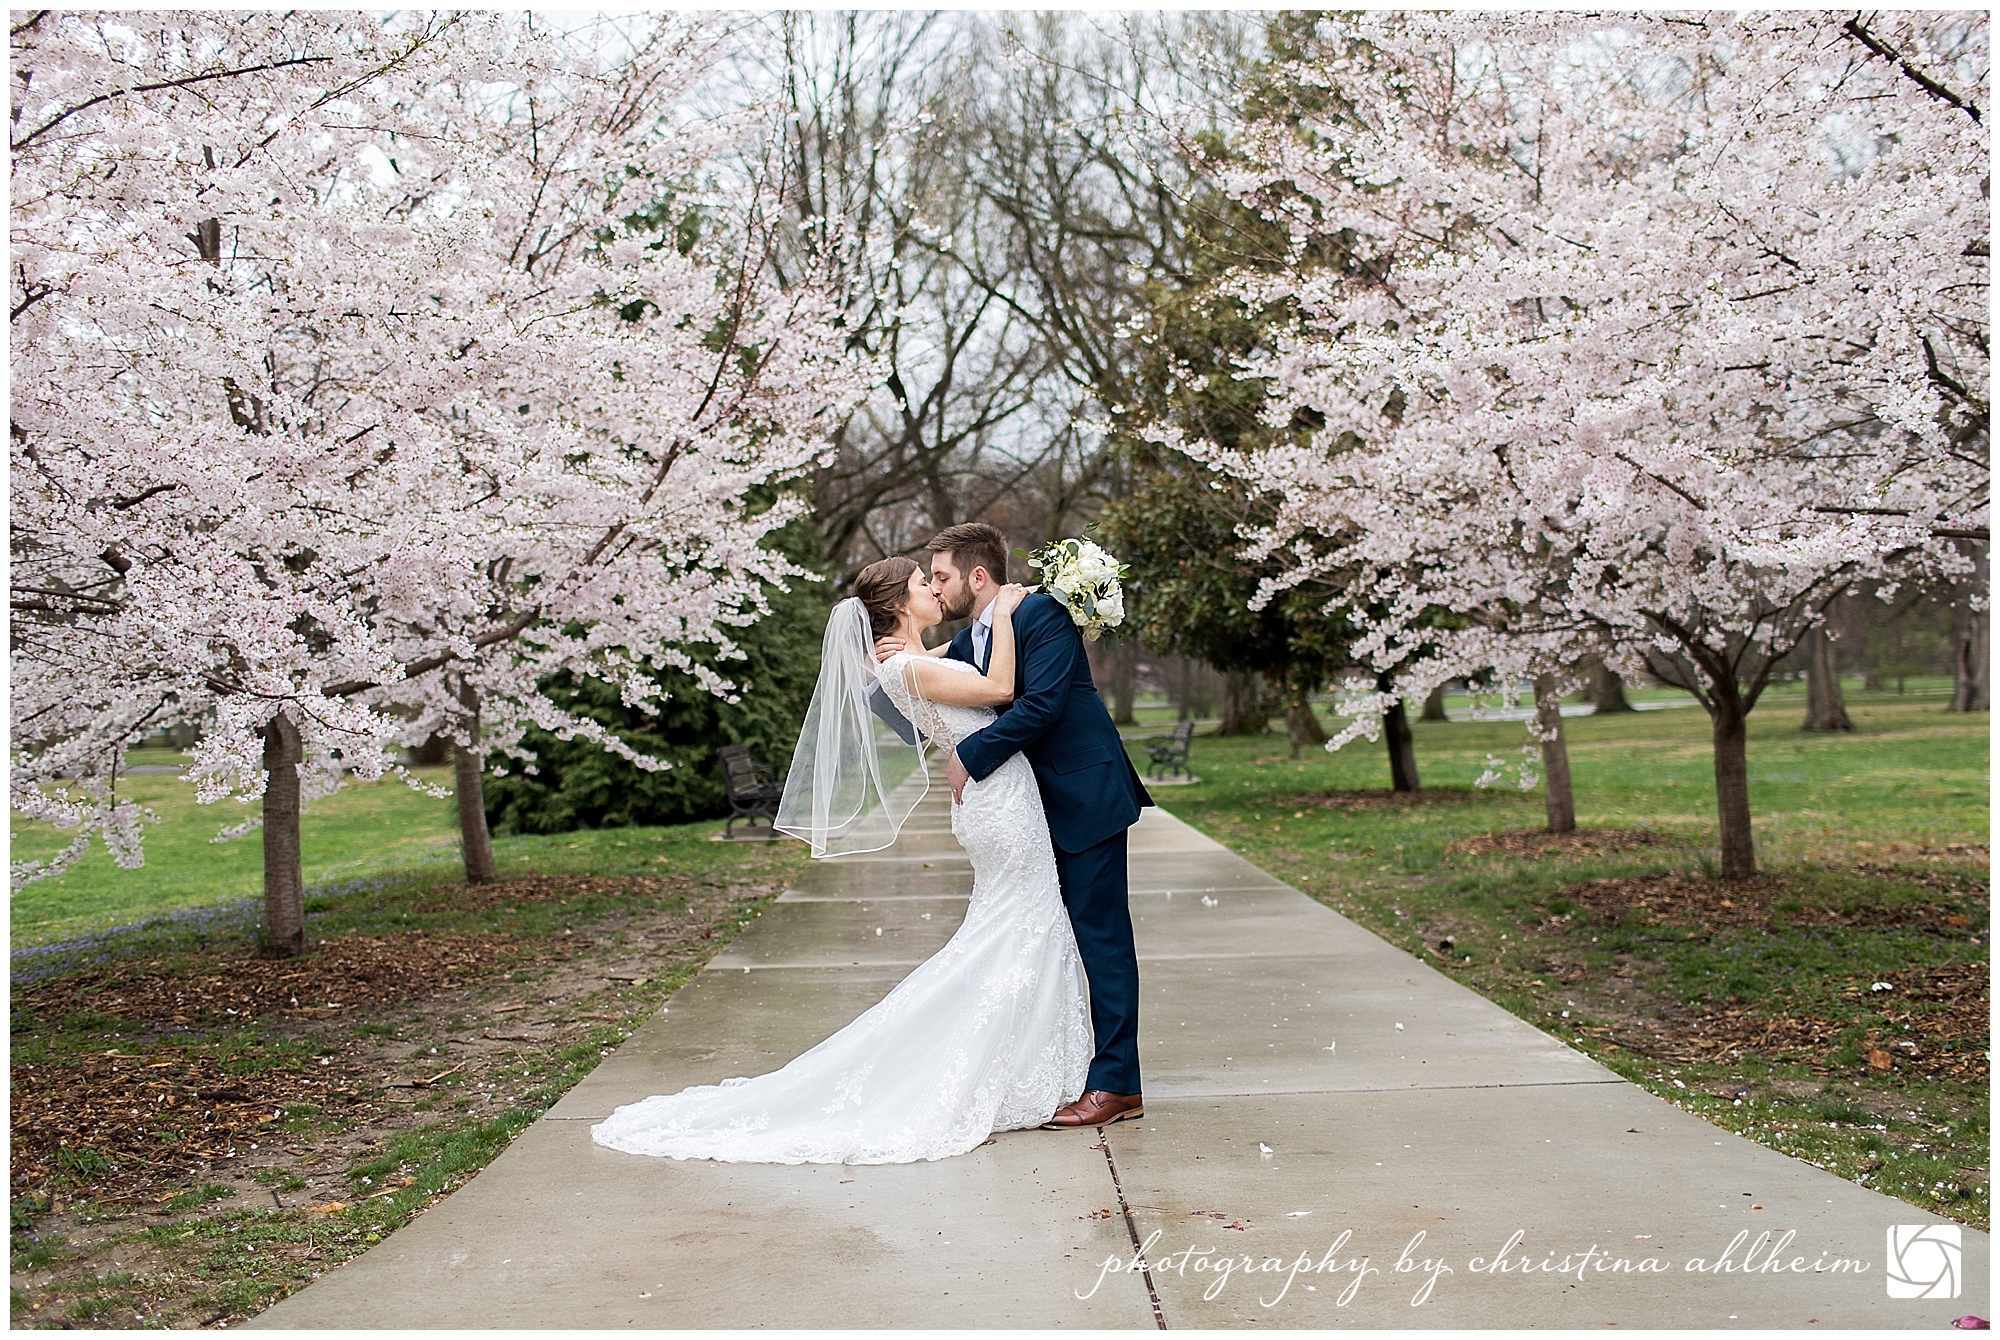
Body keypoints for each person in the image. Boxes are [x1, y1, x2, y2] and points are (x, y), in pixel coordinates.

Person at [590, 557, 1092, 1164]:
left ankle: (1026, 1065)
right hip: (1000, 806)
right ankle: (1004, 1067)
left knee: (1019, 926)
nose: (935, 589)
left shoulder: (908, 659)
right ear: (901, 605)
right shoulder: (905, 666)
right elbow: (1001, 692)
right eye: (921, 584)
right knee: (1020, 926)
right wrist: (1006, 614)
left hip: (1000, 797)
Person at [878, 523, 1154, 1129]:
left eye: (943, 577)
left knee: (1100, 938)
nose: (938, 588)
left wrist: (969, 757)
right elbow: (914, 702)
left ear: (979, 577)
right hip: (1027, 808)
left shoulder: (1041, 614)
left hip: (1084, 793)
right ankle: (1045, 1068)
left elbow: (1040, 704)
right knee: (1041, 935)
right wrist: (897, 657)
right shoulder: (971, 640)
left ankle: (1117, 1083)